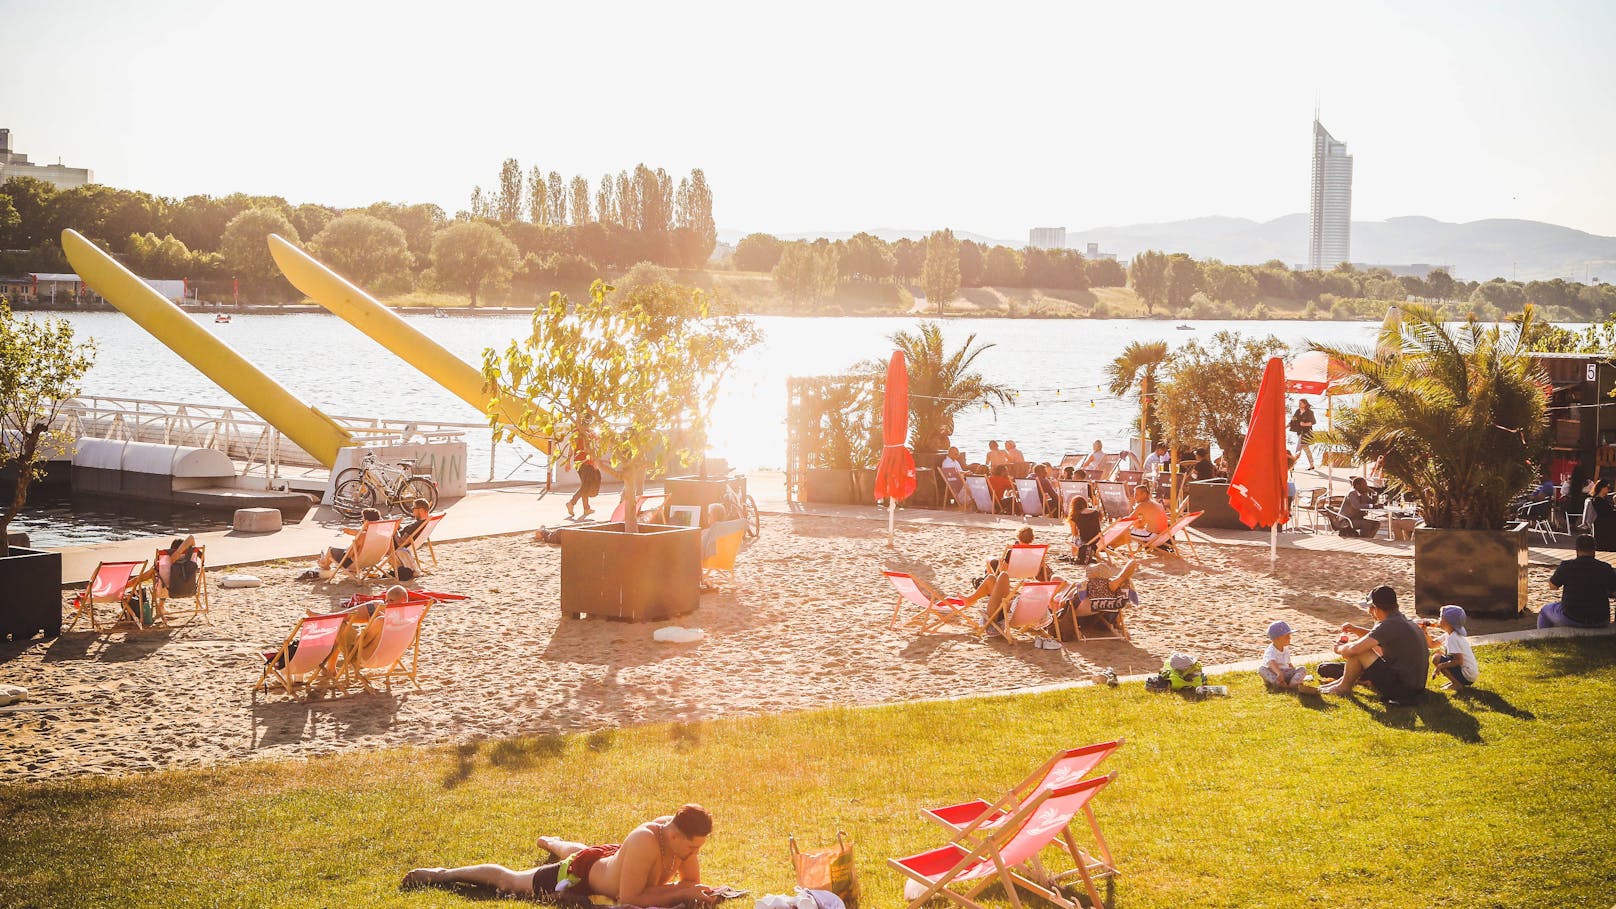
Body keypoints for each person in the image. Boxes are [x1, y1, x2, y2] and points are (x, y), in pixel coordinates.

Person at [404, 805, 718, 904]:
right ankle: (440, 874)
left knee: (588, 852)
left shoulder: (682, 840)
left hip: (606, 858)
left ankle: (556, 842)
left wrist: (690, 891)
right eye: (692, 848)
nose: (694, 854)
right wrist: (683, 891)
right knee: (510, 881)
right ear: (675, 835)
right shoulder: (645, 841)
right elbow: (628, 898)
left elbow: (688, 884)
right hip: (580, 875)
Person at [1317, 585, 1427, 703]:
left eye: (1370, 608)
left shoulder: (1389, 624)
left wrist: (1338, 648)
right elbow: (1381, 637)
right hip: (1415, 688)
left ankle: (1344, 687)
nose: (1370, 612)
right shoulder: (1402, 620)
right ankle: (1341, 684)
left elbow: (1355, 649)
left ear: (1376, 608)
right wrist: (1356, 630)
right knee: (1359, 649)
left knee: (1359, 651)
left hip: (1404, 691)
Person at [1541, 534, 1616, 628]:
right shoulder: (1605, 568)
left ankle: (1545, 639)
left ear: (1576, 549)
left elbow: (1553, 586)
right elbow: (1614, 591)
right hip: (1600, 619)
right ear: (1594, 549)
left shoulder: (1566, 566)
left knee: (1545, 610)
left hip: (1572, 617)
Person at [1421, 605, 1479, 691]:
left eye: (1440, 618)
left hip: (1467, 674)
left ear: (1447, 622)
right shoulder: (1449, 634)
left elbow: (1459, 660)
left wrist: (1440, 666)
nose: (1438, 620)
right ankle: (1455, 681)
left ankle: (1457, 684)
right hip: (1469, 673)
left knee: (1436, 658)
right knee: (1438, 654)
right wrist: (1424, 631)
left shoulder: (1453, 638)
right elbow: (1432, 644)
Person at [314, 508, 385, 576]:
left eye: (362, 521)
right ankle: (323, 562)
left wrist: (348, 549)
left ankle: (325, 566)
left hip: (355, 564)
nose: (362, 523)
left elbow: (349, 555)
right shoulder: (384, 535)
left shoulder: (362, 536)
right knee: (343, 549)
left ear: (366, 522)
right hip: (372, 562)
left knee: (330, 549)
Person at [699, 503, 748, 591]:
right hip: (727, 559)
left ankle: (702, 578)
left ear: (714, 516)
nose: (707, 516)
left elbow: (701, 550)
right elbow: (744, 522)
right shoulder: (726, 530)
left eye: (709, 514)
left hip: (710, 559)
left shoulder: (712, 531)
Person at [1258, 621, 1313, 691]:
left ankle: (1293, 683)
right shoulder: (1271, 651)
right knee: (1261, 669)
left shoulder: (1285, 648)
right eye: (1287, 636)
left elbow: (1288, 663)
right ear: (1277, 639)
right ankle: (1278, 683)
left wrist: (1294, 671)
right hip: (1275, 674)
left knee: (1302, 669)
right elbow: (1272, 663)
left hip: (1286, 673)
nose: (1290, 638)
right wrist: (1279, 673)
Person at [392, 498, 433, 581]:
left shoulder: (415, 525)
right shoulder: (425, 523)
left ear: (421, 510)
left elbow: (400, 543)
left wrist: (395, 529)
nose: (412, 510)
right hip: (409, 544)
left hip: (391, 545)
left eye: (413, 508)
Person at [1066, 495, 1103, 563]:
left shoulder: (1075, 515)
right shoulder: (1095, 512)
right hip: (1098, 540)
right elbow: (1097, 528)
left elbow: (1074, 533)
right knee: (1088, 536)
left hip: (1085, 543)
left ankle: (1074, 555)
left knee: (1074, 538)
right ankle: (1096, 554)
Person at [569, 446, 602, 519]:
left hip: (581, 463)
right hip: (585, 463)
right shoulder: (585, 435)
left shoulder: (579, 435)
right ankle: (572, 503)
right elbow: (589, 449)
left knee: (585, 486)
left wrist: (568, 461)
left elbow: (571, 447)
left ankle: (586, 508)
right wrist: (594, 462)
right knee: (586, 486)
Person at [1584, 479, 1616, 551]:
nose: (1609, 489)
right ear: (1602, 488)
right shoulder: (1598, 500)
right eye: (1608, 487)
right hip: (1605, 525)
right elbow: (1607, 513)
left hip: (1604, 523)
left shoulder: (1601, 499)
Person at [1290, 399, 1317, 470]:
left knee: (1298, 449)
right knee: (1306, 449)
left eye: (1301, 403)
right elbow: (1293, 421)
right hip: (1300, 433)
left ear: (1305, 404)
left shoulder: (1310, 412)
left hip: (1307, 433)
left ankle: (1292, 466)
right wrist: (1285, 427)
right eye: (1299, 403)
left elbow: (1313, 422)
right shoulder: (1297, 411)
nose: (1299, 405)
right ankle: (1312, 465)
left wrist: (1304, 424)